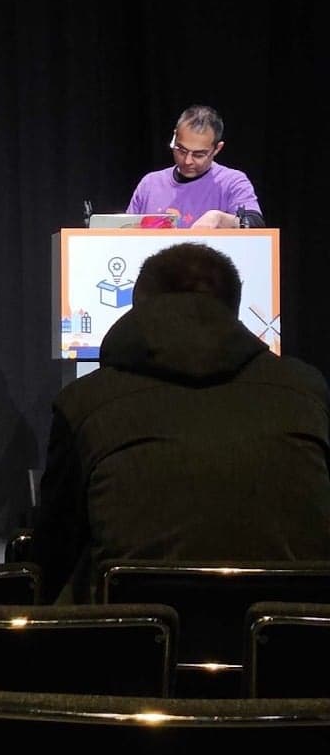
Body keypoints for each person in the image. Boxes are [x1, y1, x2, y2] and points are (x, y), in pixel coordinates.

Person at [34, 243, 330, 602]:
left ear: (137, 307)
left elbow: (53, 553)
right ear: (233, 311)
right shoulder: (308, 391)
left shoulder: (82, 403)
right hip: (294, 651)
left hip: (125, 648)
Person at [126, 105, 263, 228]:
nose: (187, 161)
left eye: (199, 155)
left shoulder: (232, 182)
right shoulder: (150, 184)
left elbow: (255, 224)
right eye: (181, 150)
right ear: (174, 137)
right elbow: (124, 233)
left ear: (217, 149)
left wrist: (220, 218)